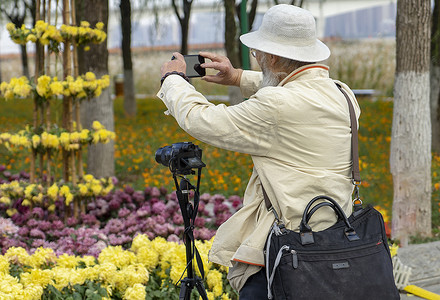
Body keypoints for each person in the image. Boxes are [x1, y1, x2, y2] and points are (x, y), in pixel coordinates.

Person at [157, 4, 360, 299]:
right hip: (337, 236)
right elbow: (295, 92)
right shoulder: (343, 94)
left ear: (274, 57)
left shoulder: (276, 107)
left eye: (258, 54)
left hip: (287, 251)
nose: (259, 59)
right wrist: (238, 76)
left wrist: (173, 81)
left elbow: (205, 121)